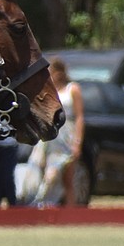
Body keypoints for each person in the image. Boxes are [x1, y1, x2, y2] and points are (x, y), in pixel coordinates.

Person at [24, 56, 85, 206]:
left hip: (67, 136)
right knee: (47, 176)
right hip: (51, 138)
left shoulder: (73, 89)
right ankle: (45, 208)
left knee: (67, 178)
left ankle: (70, 214)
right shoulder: (48, 91)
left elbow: (79, 117)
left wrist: (78, 142)